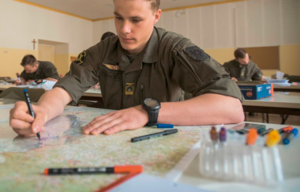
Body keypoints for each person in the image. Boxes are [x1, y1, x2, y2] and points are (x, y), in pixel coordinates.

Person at [9, 0, 244, 137]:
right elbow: (65, 89)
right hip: (109, 140)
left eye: (136, 20)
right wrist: (42, 112)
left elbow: (232, 108)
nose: (124, 29)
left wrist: (145, 112)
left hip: (159, 138)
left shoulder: (175, 48)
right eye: (118, 18)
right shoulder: (103, 49)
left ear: (156, 16)